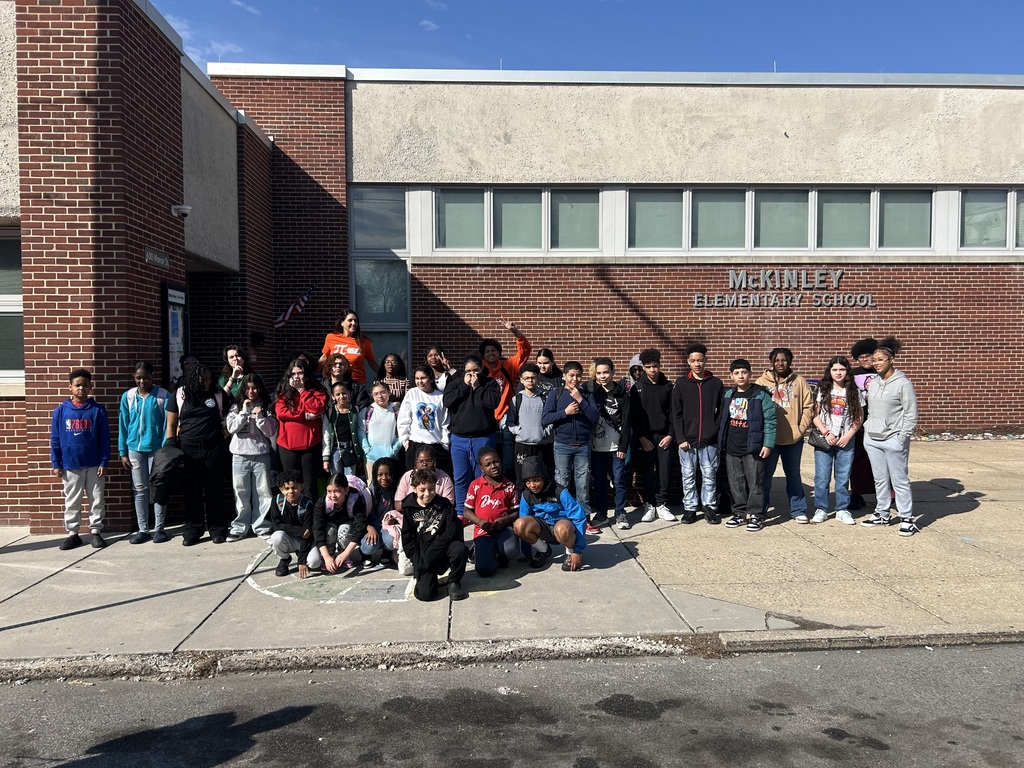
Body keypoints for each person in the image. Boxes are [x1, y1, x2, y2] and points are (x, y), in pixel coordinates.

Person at [165, 363, 230, 546]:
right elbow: (170, 424)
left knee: (215, 490)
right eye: (204, 380)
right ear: (194, 379)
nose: (208, 382)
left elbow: (230, 414)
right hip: (189, 449)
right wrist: (170, 444)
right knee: (192, 491)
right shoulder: (180, 394)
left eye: (210, 379)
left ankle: (218, 529)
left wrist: (227, 430)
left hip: (213, 448)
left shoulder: (217, 393)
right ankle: (193, 529)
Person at [861, 338, 919, 536]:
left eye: (880, 360)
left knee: (899, 480)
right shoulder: (874, 383)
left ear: (891, 359)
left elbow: (911, 414)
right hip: (873, 439)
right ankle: (882, 513)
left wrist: (901, 437)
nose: (876, 363)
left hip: (893, 439)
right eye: (874, 360)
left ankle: (906, 518)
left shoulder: (903, 383)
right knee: (880, 479)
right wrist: (867, 431)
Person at [51, 368, 110, 550]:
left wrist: (103, 461)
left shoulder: (97, 410)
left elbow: (105, 438)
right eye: (77, 385)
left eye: (85, 385)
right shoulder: (61, 411)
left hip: (94, 464)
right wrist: (56, 462)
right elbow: (55, 438)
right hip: (70, 464)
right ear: (70, 387)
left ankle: (95, 532)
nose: (81, 388)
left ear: (90, 387)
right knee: (72, 500)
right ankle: (73, 533)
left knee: (97, 498)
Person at [756, 348, 814, 523]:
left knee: (794, 475)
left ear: (790, 361)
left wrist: (800, 429)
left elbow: (808, 407)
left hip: (793, 439)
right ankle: (761, 509)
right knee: (765, 475)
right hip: (770, 439)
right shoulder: (761, 382)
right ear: (771, 362)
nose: (780, 363)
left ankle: (798, 510)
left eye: (784, 360)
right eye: (777, 360)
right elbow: (756, 409)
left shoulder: (799, 382)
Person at [542, 361, 601, 533]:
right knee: (562, 483)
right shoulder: (556, 394)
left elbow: (594, 417)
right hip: (562, 445)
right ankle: (563, 517)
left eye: (578, 375)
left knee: (583, 484)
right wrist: (565, 413)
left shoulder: (586, 394)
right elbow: (545, 419)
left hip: (583, 445)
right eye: (571, 375)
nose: (574, 379)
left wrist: (581, 400)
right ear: (564, 376)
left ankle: (584, 519)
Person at [670, 343, 724, 525]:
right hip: (687, 441)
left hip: (709, 441)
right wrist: (681, 438)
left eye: (700, 360)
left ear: (705, 361)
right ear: (688, 362)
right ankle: (690, 509)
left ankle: (709, 507)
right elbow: (675, 413)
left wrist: (714, 432)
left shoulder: (715, 383)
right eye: (693, 361)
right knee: (688, 475)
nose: (697, 364)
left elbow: (721, 413)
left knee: (709, 475)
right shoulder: (681, 384)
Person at [720, 360, 777, 532]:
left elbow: (771, 420)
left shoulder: (760, 394)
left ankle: (755, 515)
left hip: (753, 447)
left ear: (750, 374)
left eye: (744, 372)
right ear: (731, 375)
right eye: (736, 373)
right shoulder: (728, 395)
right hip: (732, 447)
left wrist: (768, 444)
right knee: (736, 482)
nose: (740, 376)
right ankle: (739, 513)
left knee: (755, 482)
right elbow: (724, 420)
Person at [118, 362, 170, 544]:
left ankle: (159, 529)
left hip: (157, 450)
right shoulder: (129, 397)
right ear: (134, 377)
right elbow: (123, 424)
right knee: (139, 489)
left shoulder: (163, 396)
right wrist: (123, 451)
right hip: (135, 450)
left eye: (146, 377)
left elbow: (168, 426)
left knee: (158, 488)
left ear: (152, 377)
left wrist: (165, 449)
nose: (142, 381)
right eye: (138, 378)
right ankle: (143, 529)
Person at [443, 354, 501, 513]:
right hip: (459, 439)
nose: (472, 374)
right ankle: (461, 511)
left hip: (483, 438)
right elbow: (447, 402)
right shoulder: (456, 384)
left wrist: (477, 388)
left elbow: (493, 402)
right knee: (460, 478)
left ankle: (482, 510)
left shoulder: (490, 384)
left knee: (483, 477)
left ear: (481, 370)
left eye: (475, 370)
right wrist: (465, 386)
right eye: (468, 371)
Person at [810, 357, 864, 525]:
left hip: (845, 441)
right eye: (835, 370)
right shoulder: (823, 390)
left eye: (842, 369)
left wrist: (848, 435)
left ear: (847, 371)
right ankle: (821, 509)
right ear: (830, 372)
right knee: (822, 477)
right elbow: (815, 414)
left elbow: (859, 417)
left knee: (842, 478)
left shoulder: (854, 391)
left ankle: (842, 509)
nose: (838, 373)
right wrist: (826, 432)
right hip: (825, 440)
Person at [401, 468, 469, 601]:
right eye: (422, 490)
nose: (427, 494)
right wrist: (418, 561)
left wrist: (435, 549)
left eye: (431, 489)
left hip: (441, 549)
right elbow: (408, 538)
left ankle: (454, 581)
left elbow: (452, 530)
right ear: (414, 489)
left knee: (459, 549)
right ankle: (428, 578)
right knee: (425, 595)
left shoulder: (444, 504)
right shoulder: (409, 508)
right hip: (423, 556)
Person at [225, 373, 278, 541]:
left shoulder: (267, 406)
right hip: (240, 455)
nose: (251, 391)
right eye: (247, 388)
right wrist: (243, 412)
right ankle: (240, 527)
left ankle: (261, 526)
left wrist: (260, 417)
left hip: (261, 454)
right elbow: (231, 428)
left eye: (254, 387)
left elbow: (271, 431)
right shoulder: (235, 406)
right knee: (241, 492)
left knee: (263, 492)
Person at [514, 456, 587, 572]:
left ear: (543, 477)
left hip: (563, 529)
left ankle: (570, 553)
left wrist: (578, 551)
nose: (532, 485)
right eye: (528, 482)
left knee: (562, 529)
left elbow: (579, 517)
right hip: (543, 529)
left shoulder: (559, 491)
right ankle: (543, 550)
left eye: (536, 480)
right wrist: (526, 553)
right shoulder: (526, 495)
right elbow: (524, 519)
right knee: (519, 524)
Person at [480, 319, 532, 475]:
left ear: (499, 353)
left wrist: (515, 332)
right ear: (483, 355)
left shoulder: (508, 367)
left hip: (505, 412)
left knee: (508, 441)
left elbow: (525, 351)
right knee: (487, 445)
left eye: (493, 351)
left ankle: (508, 473)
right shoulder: (481, 370)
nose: (491, 354)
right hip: (486, 413)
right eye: (487, 352)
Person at [586, 357, 632, 530]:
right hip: (597, 446)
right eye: (599, 373)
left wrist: (623, 446)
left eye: (606, 372)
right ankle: (602, 513)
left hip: (616, 447)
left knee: (619, 480)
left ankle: (620, 513)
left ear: (613, 372)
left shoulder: (622, 394)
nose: (602, 376)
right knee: (598, 482)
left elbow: (627, 422)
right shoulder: (592, 392)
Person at [631, 348, 675, 522]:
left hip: (665, 437)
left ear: (659, 365)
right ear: (643, 367)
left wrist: (671, 435)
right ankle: (649, 505)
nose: (652, 370)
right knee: (647, 472)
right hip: (646, 439)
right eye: (648, 367)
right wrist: (641, 438)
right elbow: (634, 416)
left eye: (655, 366)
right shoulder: (637, 388)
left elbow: (674, 413)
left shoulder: (668, 386)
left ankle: (661, 504)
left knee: (664, 473)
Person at [462, 447, 519, 578]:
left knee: (512, 551)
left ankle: (500, 554)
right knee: (485, 570)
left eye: (496, 461)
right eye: (488, 464)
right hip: (483, 531)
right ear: (482, 469)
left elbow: (516, 512)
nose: (493, 466)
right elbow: (466, 511)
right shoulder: (475, 485)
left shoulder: (509, 485)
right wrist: (480, 522)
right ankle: (479, 550)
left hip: (503, 529)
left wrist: (504, 521)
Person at [274, 359, 328, 499]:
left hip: (311, 444)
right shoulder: (283, 392)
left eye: (300, 373)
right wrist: (304, 416)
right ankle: (293, 516)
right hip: (287, 444)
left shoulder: (317, 391)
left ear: (307, 374)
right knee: (291, 485)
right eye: (294, 374)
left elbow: (316, 408)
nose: (297, 376)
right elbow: (281, 413)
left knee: (310, 485)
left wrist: (302, 391)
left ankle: (310, 518)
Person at [313, 472, 375, 574]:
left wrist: (345, 553)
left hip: (347, 525)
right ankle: (330, 554)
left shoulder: (354, 500)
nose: (332, 495)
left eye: (337, 491)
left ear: (346, 490)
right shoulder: (322, 503)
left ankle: (344, 554)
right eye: (329, 491)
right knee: (330, 530)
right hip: (330, 525)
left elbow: (360, 525)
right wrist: (326, 556)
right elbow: (317, 528)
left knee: (344, 530)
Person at [506, 362, 553, 490]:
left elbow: (550, 420)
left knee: (540, 478)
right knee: (522, 479)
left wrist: (545, 432)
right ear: (521, 379)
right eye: (527, 378)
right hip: (522, 445)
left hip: (540, 445)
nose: (530, 380)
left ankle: (540, 506)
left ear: (537, 378)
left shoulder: (544, 398)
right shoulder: (517, 399)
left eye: (533, 377)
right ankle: (523, 507)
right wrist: (518, 431)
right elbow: (510, 422)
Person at [268, 469, 321, 579]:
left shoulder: (308, 504)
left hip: (304, 540)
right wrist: (299, 531)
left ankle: (300, 554)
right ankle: (284, 558)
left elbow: (308, 533)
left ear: (301, 487)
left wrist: (302, 561)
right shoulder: (276, 501)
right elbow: (277, 525)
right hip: (288, 537)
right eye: (287, 488)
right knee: (276, 537)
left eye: (294, 488)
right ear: (281, 490)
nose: (291, 491)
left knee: (315, 563)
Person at [398, 365, 450, 473]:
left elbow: (445, 423)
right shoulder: (412, 393)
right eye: (417, 378)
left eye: (423, 378)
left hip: (435, 445)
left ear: (431, 378)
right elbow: (403, 419)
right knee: (414, 480)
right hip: (415, 444)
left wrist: (445, 444)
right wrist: (405, 442)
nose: (420, 381)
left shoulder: (440, 397)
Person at [848, 338, 880, 510]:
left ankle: (887, 493)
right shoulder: (853, 375)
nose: (866, 360)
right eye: (861, 357)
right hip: (859, 422)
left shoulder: (883, 371)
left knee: (882, 460)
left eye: (869, 356)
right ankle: (857, 493)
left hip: (881, 423)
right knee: (858, 460)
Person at [320, 309, 378, 385]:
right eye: (350, 320)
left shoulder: (364, 342)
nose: (353, 323)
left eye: (355, 321)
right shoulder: (331, 338)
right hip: (335, 383)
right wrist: (311, 373)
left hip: (356, 383)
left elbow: (372, 362)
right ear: (342, 322)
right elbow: (324, 358)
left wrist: (385, 375)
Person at [358, 382, 401, 479]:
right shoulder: (367, 411)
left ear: (389, 393)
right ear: (372, 396)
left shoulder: (396, 411)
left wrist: (394, 450)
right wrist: (367, 450)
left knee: (390, 485)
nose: (380, 396)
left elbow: (402, 432)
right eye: (376, 394)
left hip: (390, 457)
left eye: (383, 392)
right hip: (371, 458)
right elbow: (361, 431)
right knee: (371, 485)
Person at [394, 447, 456, 512]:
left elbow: (449, 505)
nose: (424, 464)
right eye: (421, 461)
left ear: (434, 462)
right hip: (411, 514)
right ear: (416, 463)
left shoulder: (445, 479)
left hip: (436, 516)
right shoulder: (407, 476)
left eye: (428, 461)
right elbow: (398, 505)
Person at [322, 381, 363, 477]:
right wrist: (326, 458)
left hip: (350, 450)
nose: (341, 396)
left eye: (344, 393)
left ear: (348, 394)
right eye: (338, 394)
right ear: (333, 397)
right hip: (336, 450)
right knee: (336, 480)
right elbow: (326, 435)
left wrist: (359, 454)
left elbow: (360, 430)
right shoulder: (330, 412)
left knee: (350, 480)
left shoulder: (355, 410)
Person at [363, 456, 397, 566]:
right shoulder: (368, 493)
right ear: (374, 475)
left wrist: (394, 520)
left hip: (387, 527)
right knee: (369, 546)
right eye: (380, 474)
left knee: (391, 541)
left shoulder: (396, 490)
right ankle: (365, 554)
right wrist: (369, 527)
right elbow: (359, 518)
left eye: (388, 474)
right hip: (371, 527)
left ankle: (386, 553)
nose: (384, 478)